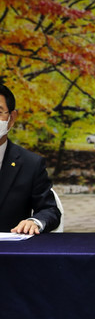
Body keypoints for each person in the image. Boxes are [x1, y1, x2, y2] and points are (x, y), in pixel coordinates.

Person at [0, 84, 61, 234]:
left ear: (11, 118)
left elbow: (50, 210)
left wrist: (34, 222)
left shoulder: (31, 164)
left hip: (11, 246)